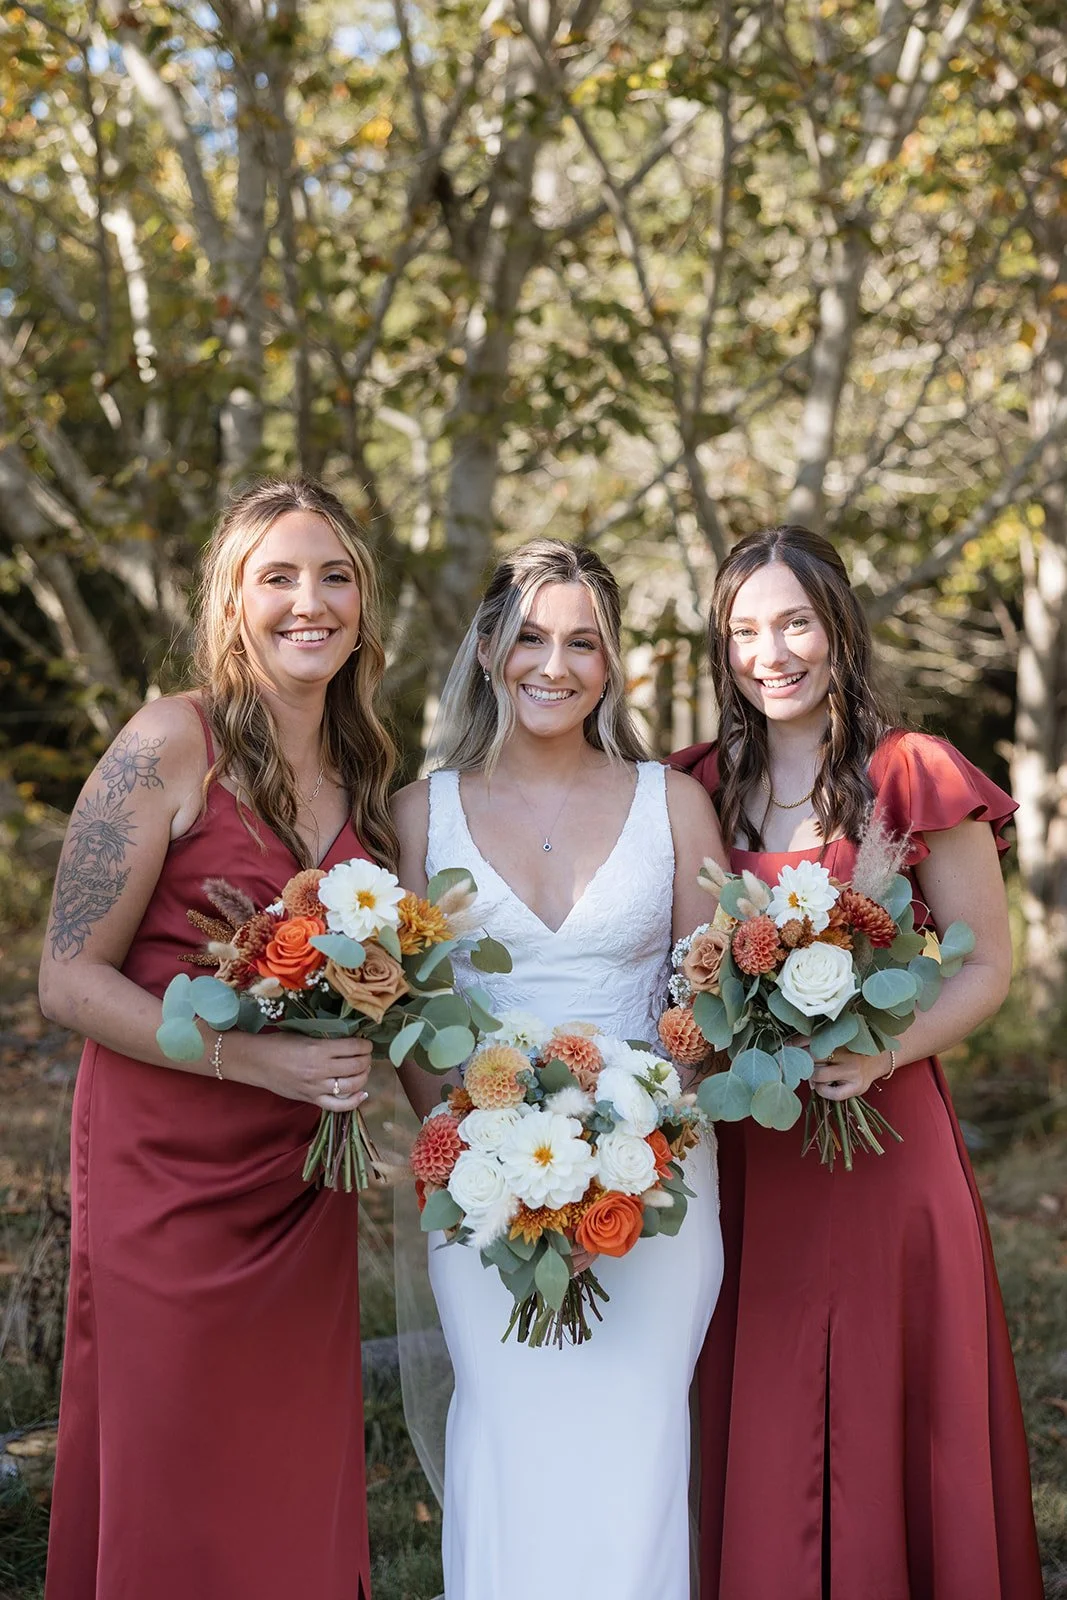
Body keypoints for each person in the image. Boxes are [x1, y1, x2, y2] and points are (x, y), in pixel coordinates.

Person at [39, 477, 397, 1600]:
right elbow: (64, 978)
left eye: (334, 575)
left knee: (286, 1476)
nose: (310, 601)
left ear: (363, 603)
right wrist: (258, 1059)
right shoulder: (167, 740)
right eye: (277, 576)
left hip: (299, 1182)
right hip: (164, 1173)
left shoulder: (368, 776)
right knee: (172, 1466)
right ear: (230, 599)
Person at [672, 524, 1043, 1600]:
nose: (769, 651)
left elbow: (981, 969)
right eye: (742, 629)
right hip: (749, 1153)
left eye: (792, 621)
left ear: (836, 627)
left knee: (889, 1400)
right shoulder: (693, 784)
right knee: (764, 1397)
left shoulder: (910, 772)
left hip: (883, 1142)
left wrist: (878, 1052)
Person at [392, 538, 726, 1600]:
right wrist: (471, 1159)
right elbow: (410, 1017)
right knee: (512, 1442)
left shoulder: (668, 802)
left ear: (611, 662)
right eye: (530, 635)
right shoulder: (418, 812)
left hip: (656, 1191)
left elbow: (701, 1008)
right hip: (481, 1187)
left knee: (635, 1460)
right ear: (487, 647)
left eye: (583, 641)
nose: (554, 663)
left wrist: (626, 1160)